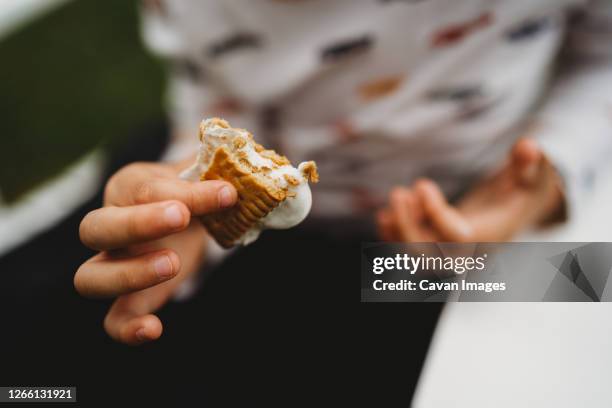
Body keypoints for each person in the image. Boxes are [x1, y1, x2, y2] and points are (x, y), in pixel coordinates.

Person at [75, 0, 611, 351]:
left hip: (481, 216)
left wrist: (546, 181)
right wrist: (191, 202)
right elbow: (217, 103)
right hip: (282, 247)